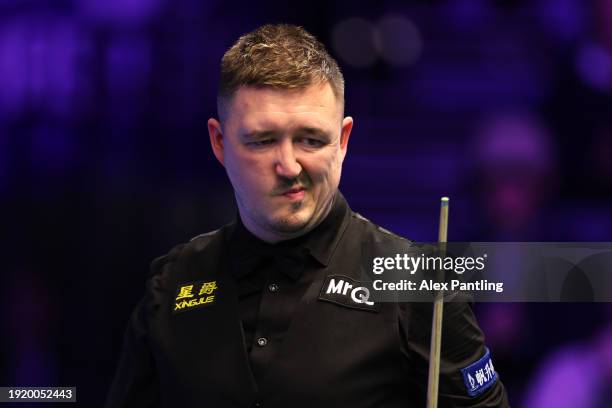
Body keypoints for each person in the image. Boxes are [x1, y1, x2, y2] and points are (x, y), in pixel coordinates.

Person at [105, 24, 509, 407]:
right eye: (262, 141)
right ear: (220, 142)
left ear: (343, 141)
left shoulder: (418, 286)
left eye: (311, 140)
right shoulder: (171, 283)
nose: (289, 165)